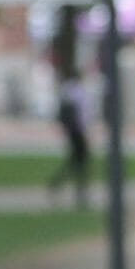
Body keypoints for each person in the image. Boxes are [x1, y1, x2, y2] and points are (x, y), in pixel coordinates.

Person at [50, 70, 93, 208]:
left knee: (75, 161)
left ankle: (59, 183)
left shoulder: (68, 91)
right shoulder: (78, 93)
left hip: (73, 132)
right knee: (80, 163)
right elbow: (82, 115)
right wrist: (84, 132)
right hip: (78, 132)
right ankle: (80, 193)